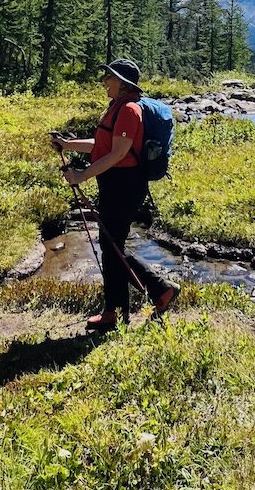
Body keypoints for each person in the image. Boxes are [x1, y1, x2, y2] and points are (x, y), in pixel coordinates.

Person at [51, 58, 180, 330]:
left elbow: (119, 153)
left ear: (122, 83)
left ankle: (160, 290)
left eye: (109, 77)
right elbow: (101, 145)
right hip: (115, 184)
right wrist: (68, 144)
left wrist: (81, 175)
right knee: (111, 247)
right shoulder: (117, 108)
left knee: (111, 247)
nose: (104, 82)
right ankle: (116, 312)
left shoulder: (130, 110)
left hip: (124, 185)